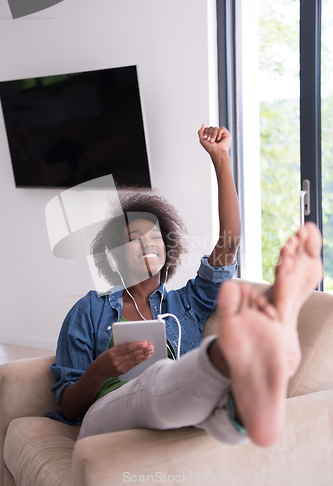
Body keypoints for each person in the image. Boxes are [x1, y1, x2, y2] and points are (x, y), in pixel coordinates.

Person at [47, 125, 323, 447]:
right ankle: (240, 350)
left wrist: (221, 159)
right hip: (107, 418)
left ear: (168, 248)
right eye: (133, 239)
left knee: (211, 412)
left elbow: (228, 244)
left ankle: (245, 402)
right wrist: (100, 370)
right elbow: (68, 409)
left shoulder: (187, 303)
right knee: (153, 387)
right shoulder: (89, 310)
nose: (148, 243)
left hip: (183, 409)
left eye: (155, 237)